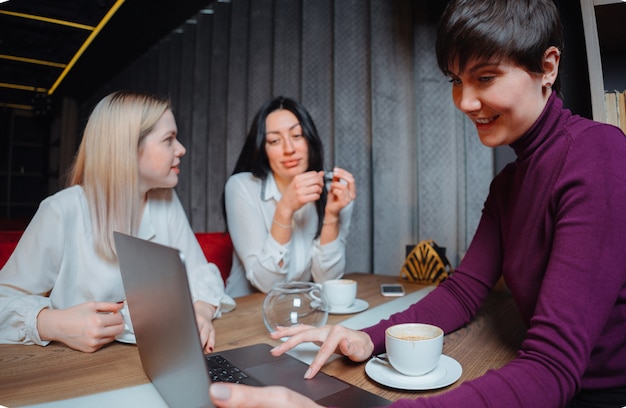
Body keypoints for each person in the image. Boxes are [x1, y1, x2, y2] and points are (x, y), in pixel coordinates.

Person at [208, 0, 626, 407]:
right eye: (456, 81)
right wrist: (365, 337)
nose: (464, 102)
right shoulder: (509, 183)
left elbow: (552, 369)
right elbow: (463, 292)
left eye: (485, 78)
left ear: (548, 67)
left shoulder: (599, 154)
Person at [0, 91, 235, 353]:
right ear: (127, 149)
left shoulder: (165, 200)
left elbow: (200, 275)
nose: (181, 149)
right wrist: (53, 324)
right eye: (169, 140)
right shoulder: (61, 210)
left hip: (152, 361)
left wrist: (200, 314)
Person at [223, 96, 357, 297]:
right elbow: (266, 284)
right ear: (263, 149)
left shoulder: (335, 190)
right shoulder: (242, 187)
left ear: (310, 139)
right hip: (246, 311)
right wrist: (285, 209)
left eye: (297, 135)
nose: (289, 149)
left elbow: (328, 281)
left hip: (299, 312)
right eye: (275, 140)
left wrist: (331, 215)